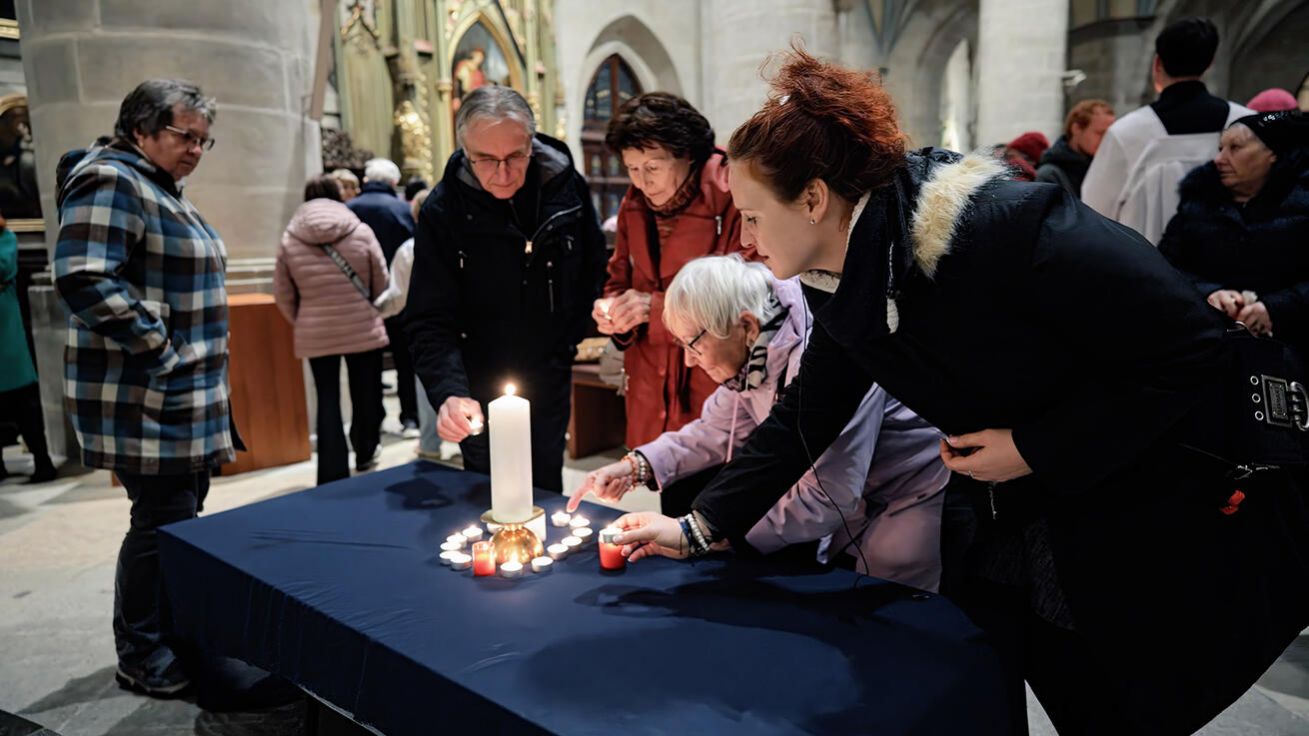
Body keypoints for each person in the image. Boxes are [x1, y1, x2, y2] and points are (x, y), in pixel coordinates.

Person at [608, 47, 1309, 735]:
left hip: (1122, 501)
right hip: (1005, 516)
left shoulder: (1001, 227)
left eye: (754, 216)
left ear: (815, 199)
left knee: (1114, 695)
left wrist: (1033, 447)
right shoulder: (839, 275)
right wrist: (699, 526)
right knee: (984, 674)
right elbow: (807, 410)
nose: (748, 240)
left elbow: (1184, 348)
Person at [570, 255, 949, 589]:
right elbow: (712, 430)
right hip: (855, 497)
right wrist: (637, 466)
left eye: (694, 344)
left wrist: (713, 532)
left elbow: (827, 495)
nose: (688, 361)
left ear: (747, 326)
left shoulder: (822, 355)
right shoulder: (754, 356)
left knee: (893, 596)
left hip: (910, 485)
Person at [54, 79, 237, 697]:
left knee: (176, 522)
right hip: (149, 395)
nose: (195, 150)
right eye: (186, 136)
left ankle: (172, 631)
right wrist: (163, 351)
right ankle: (142, 652)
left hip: (179, 394)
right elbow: (82, 275)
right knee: (161, 525)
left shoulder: (158, 188)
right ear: (141, 129)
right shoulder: (114, 180)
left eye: (204, 142)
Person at [406, 85, 606, 493]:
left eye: (515, 156)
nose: (503, 173)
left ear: (531, 142)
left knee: (546, 484)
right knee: (488, 491)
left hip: (549, 372)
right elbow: (429, 315)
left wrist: (575, 336)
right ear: (464, 151)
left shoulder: (567, 189)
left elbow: (594, 269)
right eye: (486, 160)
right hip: (477, 379)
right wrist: (450, 392)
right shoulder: (443, 210)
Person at [593, 92, 746, 452]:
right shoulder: (634, 203)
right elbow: (619, 278)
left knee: (714, 489)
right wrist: (615, 312)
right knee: (668, 487)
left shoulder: (732, 193)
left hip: (712, 378)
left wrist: (655, 308)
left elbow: (748, 295)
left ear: (687, 154)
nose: (643, 182)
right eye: (632, 168)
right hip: (650, 380)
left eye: (653, 167)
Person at [1081, 17, 1253, 243]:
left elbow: (1094, 215)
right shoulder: (1246, 124)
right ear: (1209, 62)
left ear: (1157, 64)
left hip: (1146, 271)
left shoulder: (1128, 133)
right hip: (1232, 270)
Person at [1160, 111, 1309, 354]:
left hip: (1292, 346)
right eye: (1221, 148)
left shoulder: (1302, 203)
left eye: (1235, 148)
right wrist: (1209, 292)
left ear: (1272, 153)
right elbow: (1165, 264)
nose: (1219, 159)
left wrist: (1275, 307)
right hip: (1209, 342)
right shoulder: (1199, 200)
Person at [274, 175, 390, 482]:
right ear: (338, 196)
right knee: (365, 393)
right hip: (361, 326)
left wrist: (303, 319)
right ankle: (365, 452)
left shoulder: (290, 237)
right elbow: (381, 281)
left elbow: (283, 293)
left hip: (316, 330)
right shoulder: (360, 231)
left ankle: (332, 470)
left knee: (327, 398)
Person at [348, 157, 419, 439]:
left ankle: (372, 420)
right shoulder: (402, 210)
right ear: (392, 182)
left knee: (368, 366)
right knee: (406, 361)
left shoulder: (348, 210)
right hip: (399, 295)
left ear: (366, 181)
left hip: (360, 299)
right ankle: (410, 417)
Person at [373, 188, 443, 461]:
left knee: (427, 385)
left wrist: (376, 310)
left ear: (415, 215)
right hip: (462, 326)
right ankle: (471, 443)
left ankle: (429, 443)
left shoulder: (409, 250)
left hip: (423, 325)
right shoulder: (461, 244)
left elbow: (397, 296)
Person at [0, 210, 54, 483]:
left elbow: (3, 267)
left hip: (5, 332)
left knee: (25, 403)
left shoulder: (4, 237)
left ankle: (42, 462)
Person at [1035, 99, 1115, 196]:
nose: (1105, 141)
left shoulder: (1109, 169)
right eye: (1100, 133)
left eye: (1109, 135)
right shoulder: (1050, 175)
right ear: (1076, 129)